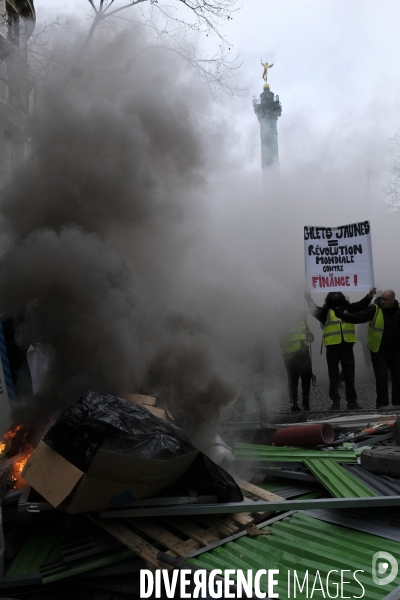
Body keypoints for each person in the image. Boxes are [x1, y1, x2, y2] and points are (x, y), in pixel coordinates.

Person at [305, 288, 376, 410]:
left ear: (342, 297)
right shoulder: (325, 311)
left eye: (338, 296)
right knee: (333, 377)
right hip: (332, 347)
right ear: (328, 299)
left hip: (347, 346)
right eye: (334, 296)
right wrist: (308, 299)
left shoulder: (349, 308)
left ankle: (352, 401)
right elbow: (314, 310)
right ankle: (335, 402)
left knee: (349, 376)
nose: (336, 298)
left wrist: (369, 296)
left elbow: (361, 305)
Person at [334, 289, 400, 409]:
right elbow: (359, 317)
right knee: (381, 379)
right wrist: (342, 315)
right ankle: (382, 405)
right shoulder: (375, 309)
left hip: (396, 352)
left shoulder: (399, 310)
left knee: (398, 377)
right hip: (378, 351)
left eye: (386, 300)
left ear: (393, 300)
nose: (382, 301)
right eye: (382, 299)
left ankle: (397, 404)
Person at [280, 311, 314, 412]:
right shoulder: (282, 322)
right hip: (290, 355)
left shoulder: (302, 321)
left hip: (304, 354)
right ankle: (294, 405)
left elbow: (309, 333)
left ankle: (306, 403)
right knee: (293, 381)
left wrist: (310, 337)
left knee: (306, 379)